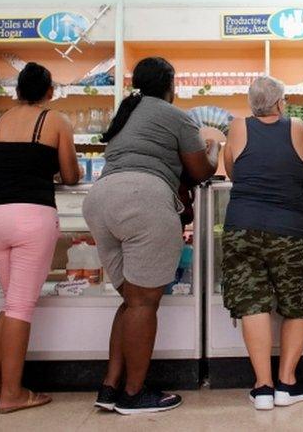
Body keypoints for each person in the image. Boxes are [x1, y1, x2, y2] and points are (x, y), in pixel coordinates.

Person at [83, 57, 219, 415]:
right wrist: (214, 154)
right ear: (171, 85)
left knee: (130, 301)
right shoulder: (176, 116)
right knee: (143, 304)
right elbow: (200, 169)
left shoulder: (125, 112)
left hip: (100, 199)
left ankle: (110, 387)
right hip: (143, 200)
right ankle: (134, 393)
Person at [0, 62, 81, 414]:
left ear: (17, 90)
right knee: (20, 308)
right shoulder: (55, 121)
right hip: (31, 217)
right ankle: (12, 394)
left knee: (10, 304)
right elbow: (69, 175)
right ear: (49, 91)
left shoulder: (0, 120)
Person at [221, 76, 303, 410]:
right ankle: (287, 383)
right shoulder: (297, 128)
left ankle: (262, 386)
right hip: (289, 230)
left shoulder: (237, 128)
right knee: (297, 302)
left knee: (252, 301)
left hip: (241, 228)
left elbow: (233, 171)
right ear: (280, 102)